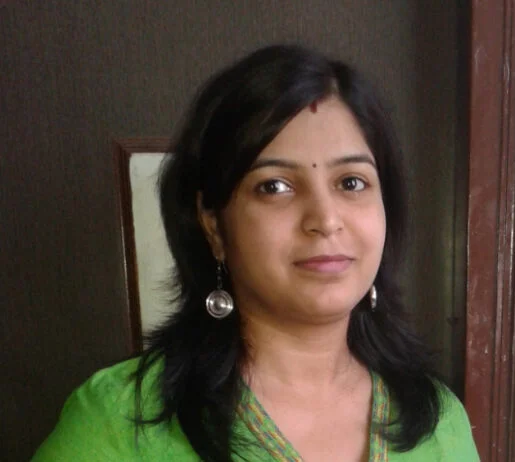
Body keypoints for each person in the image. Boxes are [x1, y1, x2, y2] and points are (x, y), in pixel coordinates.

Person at [33, 44, 479, 461]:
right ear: (214, 226)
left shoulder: (439, 421)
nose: (325, 219)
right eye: (274, 187)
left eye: (351, 182)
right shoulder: (117, 424)